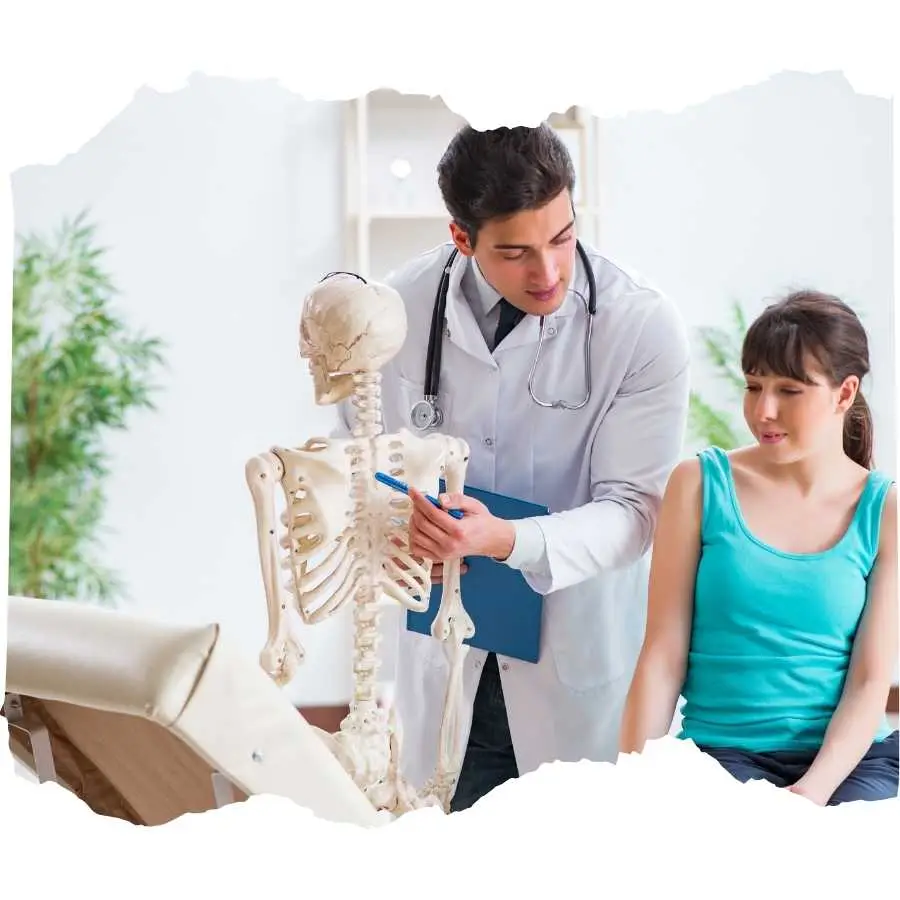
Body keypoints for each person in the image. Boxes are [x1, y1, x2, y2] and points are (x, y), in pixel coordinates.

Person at [334, 123, 691, 811]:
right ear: (461, 238)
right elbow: (356, 457)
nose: (549, 273)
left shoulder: (640, 327)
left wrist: (507, 539)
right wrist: (398, 522)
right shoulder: (394, 313)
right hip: (446, 657)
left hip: (574, 658)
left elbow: (634, 512)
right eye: (516, 252)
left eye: (562, 238)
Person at [619, 290, 898, 806]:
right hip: (726, 755)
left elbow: (868, 681)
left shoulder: (885, 510)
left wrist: (809, 794)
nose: (763, 410)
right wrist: (633, 782)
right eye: (754, 386)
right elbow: (662, 652)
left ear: (844, 394)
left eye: (789, 390)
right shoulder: (699, 485)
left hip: (851, 762)